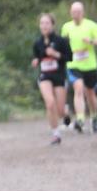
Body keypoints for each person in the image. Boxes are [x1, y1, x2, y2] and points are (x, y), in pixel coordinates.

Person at [61, 1, 97, 134]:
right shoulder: (66, 27)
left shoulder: (91, 25)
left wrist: (91, 41)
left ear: (82, 12)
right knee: (79, 89)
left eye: (77, 11)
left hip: (90, 65)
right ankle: (80, 119)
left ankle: (94, 116)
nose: (75, 14)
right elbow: (63, 44)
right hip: (73, 64)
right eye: (73, 11)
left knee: (91, 93)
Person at [31, 13, 73, 145]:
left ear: (53, 25)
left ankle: (65, 112)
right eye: (42, 23)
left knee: (59, 111)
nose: (44, 26)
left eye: (47, 23)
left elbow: (69, 58)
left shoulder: (61, 41)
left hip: (59, 75)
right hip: (45, 76)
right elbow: (38, 57)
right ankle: (56, 134)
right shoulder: (37, 43)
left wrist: (56, 54)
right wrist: (36, 61)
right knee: (49, 103)